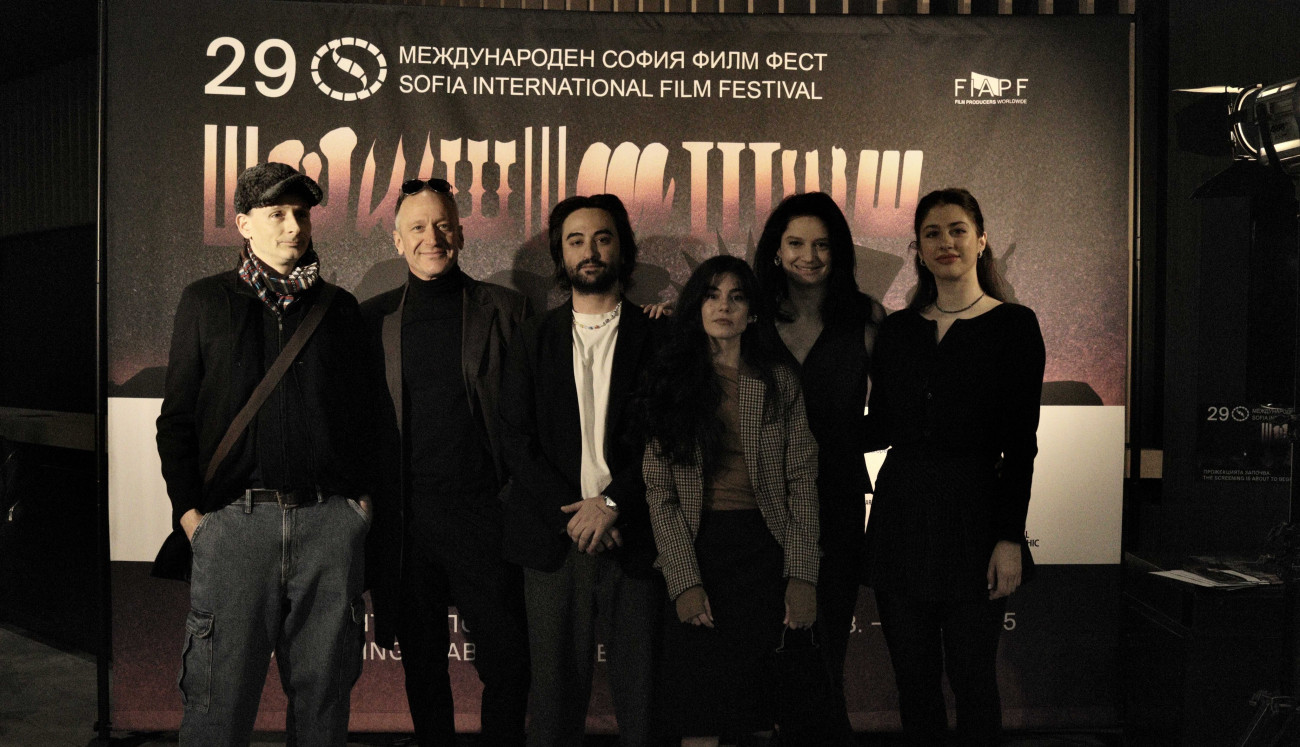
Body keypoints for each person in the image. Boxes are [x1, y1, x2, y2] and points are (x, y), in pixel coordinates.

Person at [154, 162, 389, 744]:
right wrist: (193, 517)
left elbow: (370, 418)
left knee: (323, 708)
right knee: (217, 708)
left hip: (327, 526)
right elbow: (177, 420)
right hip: (235, 527)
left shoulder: (338, 308)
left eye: (301, 214)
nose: (293, 226)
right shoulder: (205, 301)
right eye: (277, 213)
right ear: (243, 224)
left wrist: (357, 510)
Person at [861, 188, 1045, 745]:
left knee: (973, 678)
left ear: (981, 240)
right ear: (917, 248)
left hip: (976, 520)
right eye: (933, 233)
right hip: (900, 517)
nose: (946, 242)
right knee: (913, 681)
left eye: (958, 230)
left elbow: (1022, 445)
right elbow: (881, 427)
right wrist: (804, 427)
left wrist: (1009, 538)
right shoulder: (897, 330)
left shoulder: (1014, 325)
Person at [360, 177, 532, 746]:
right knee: (423, 666)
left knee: (508, 662)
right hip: (406, 526)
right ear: (397, 240)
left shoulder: (506, 310)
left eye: (441, 225)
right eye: (417, 227)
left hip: (485, 518)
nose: (431, 237)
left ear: (459, 232)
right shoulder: (372, 320)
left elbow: (538, 411)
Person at [498, 194, 665, 747]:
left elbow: (666, 440)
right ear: (561, 255)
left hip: (634, 534)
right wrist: (577, 515)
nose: (589, 251)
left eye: (602, 238)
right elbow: (515, 439)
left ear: (622, 249)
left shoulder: (659, 337)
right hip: (554, 539)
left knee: (644, 702)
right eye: (576, 241)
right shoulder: (532, 337)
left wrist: (613, 504)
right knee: (552, 705)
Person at [641, 255, 820, 746]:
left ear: (753, 312)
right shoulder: (671, 381)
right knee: (698, 717)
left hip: (764, 550)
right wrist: (683, 582)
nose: (723, 306)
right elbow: (660, 492)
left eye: (737, 297)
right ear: (696, 306)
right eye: (712, 295)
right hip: (698, 547)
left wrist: (802, 575)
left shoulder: (779, 381)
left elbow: (802, 481)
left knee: (757, 716)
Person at [752, 191, 885, 740]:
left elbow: (891, 415)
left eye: (822, 245)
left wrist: (838, 443)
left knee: (826, 641)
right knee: (769, 645)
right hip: (759, 502)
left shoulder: (866, 318)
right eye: (796, 243)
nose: (809, 256)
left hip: (836, 500)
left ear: (839, 252)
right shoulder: (751, 314)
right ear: (776, 250)